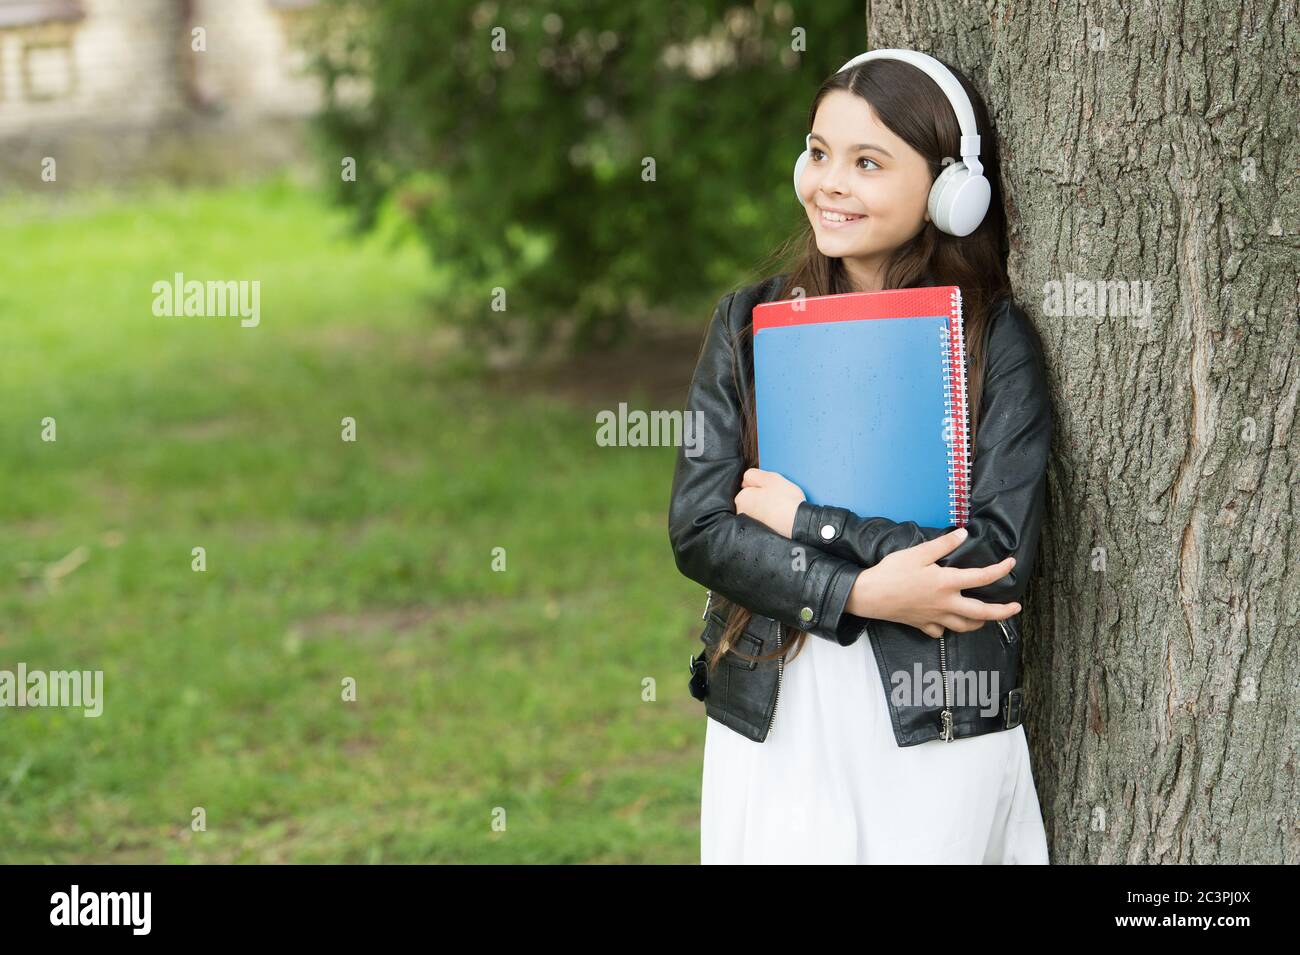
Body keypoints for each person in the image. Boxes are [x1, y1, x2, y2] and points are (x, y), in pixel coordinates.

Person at [668, 50, 1053, 864]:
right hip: (774, 708)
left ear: (952, 190)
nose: (829, 182)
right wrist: (863, 589)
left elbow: (998, 558)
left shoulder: (991, 337)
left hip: (934, 721)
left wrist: (811, 522)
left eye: (867, 162)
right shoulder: (745, 321)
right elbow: (701, 529)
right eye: (818, 152)